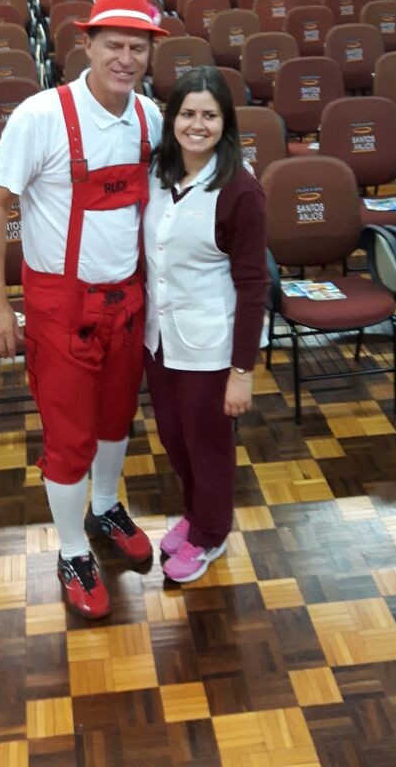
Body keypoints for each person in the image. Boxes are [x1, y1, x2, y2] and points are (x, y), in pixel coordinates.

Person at [0, 0, 166, 620]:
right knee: (69, 436)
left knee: (116, 419)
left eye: (138, 47)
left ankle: (106, 508)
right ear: (87, 44)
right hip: (61, 308)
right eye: (114, 45)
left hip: (127, 302)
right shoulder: (41, 117)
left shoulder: (150, 118)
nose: (125, 59)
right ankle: (71, 549)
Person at [144, 66, 267, 583]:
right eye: (188, 113)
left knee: (207, 445)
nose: (197, 125)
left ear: (225, 123)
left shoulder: (240, 190)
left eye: (210, 116)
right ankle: (196, 514)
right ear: (172, 118)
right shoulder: (157, 173)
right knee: (174, 438)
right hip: (159, 340)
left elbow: (254, 286)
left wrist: (242, 371)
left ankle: (211, 534)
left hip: (212, 347)